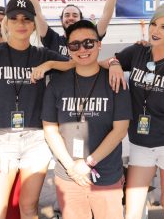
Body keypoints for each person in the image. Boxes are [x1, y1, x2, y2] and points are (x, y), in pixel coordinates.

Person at [0, 0, 72, 219]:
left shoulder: (41, 54)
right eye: (14, 18)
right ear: (6, 23)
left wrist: (49, 64)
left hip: (36, 141)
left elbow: (78, 62)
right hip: (0, 141)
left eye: (27, 19)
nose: (21, 23)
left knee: (29, 208)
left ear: (33, 24)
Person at [104, 4, 164, 219]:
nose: (155, 30)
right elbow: (104, 62)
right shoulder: (137, 52)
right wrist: (115, 63)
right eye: (154, 24)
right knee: (133, 207)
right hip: (140, 144)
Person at [41, 20, 132, 219]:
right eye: (75, 44)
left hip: (105, 174)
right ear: (68, 49)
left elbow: (120, 130)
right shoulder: (56, 84)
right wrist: (71, 167)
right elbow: (50, 129)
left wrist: (87, 163)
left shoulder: (115, 81)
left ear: (99, 45)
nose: (82, 49)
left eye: (89, 43)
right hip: (68, 174)